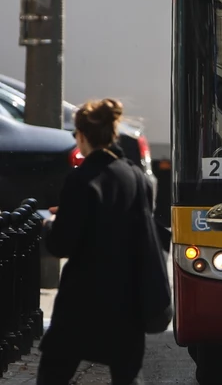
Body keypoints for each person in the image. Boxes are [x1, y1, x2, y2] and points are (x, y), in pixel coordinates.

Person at [38, 99, 157, 385]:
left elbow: (62, 245)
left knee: (53, 374)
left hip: (83, 301)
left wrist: (50, 225)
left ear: (81, 135)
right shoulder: (135, 176)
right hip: (128, 300)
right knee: (126, 377)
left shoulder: (82, 180)